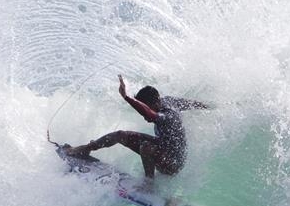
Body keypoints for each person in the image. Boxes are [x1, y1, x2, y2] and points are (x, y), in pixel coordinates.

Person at [66, 75, 209, 178]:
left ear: (155, 102)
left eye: (147, 108)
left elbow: (151, 115)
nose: (144, 116)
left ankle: (148, 183)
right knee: (120, 135)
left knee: (146, 147)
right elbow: (191, 104)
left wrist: (126, 97)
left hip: (173, 163)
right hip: (162, 146)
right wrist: (209, 106)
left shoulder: (168, 116)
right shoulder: (167, 101)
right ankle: (85, 149)